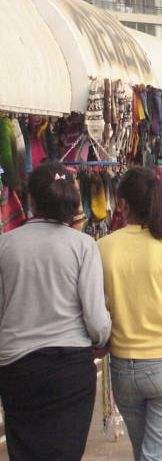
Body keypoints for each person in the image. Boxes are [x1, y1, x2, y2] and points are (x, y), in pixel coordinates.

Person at [0, 162, 111, 461]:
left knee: (24, 451)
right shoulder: (84, 246)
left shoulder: (5, 245)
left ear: (30, 200)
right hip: (70, 369)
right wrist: (102, 340)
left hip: (17, 369)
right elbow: (97, 320)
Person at [97, 167, 162, 461]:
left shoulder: (102, 248)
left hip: (123, 366)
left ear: (122, 204)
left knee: (143, 451)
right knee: (157, 455)